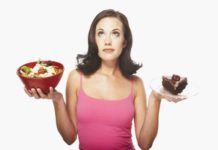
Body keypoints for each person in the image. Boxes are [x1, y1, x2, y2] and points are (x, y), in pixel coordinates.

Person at [24, 9, 185, 150]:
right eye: (101, 33)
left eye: (115, 33)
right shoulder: (76, 78)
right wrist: (58, 100)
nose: (107, 41)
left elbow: (145, 144)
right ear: (94, 40)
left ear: (124, 42)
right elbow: (69, 138)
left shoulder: (135, 84)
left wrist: (156, 99)